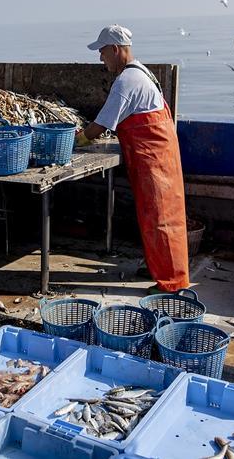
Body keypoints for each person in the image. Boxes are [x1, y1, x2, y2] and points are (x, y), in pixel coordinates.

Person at [75, 24, 189, 293]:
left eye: (102, 52)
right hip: (156, 157)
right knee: (155, 217)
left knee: (162, 219)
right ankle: (159, 269)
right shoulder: (141, 73)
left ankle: (172, 284)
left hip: (155, 160)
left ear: (115, 49)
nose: (101, 58)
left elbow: (100, 125)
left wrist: (78, 139)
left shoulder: (126, 81)